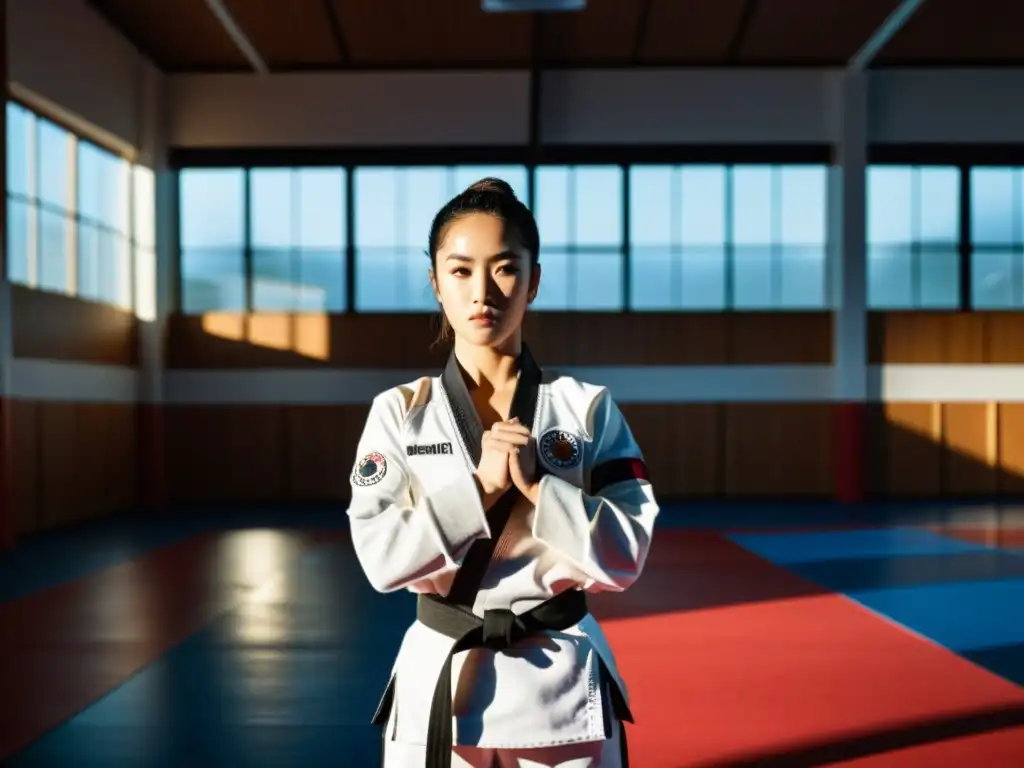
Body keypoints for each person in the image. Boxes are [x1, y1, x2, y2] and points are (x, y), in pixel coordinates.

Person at [347, 177, 659, 768]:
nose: (483, 291)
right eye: (461, 270)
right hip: (443, 678)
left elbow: (626, 558)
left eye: (505, 268)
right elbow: (381, 561)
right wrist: (480, 490)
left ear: (534, 280)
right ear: (436, 282)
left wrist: (542, 489)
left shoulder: (585, 408)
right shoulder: (400, 412)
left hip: (562, 687)